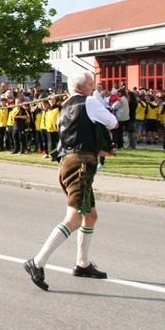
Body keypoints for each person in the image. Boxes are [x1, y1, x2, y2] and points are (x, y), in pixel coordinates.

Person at [24, 71, 118, 292]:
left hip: (71, 162)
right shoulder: (89, 102)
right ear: (79, 88)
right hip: (80, 164)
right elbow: (113, 122)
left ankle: (82, 264)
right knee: (74, 218)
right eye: (91, 85)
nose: (94, 88)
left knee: (90, 216)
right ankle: (37, 262)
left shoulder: (64, 106)